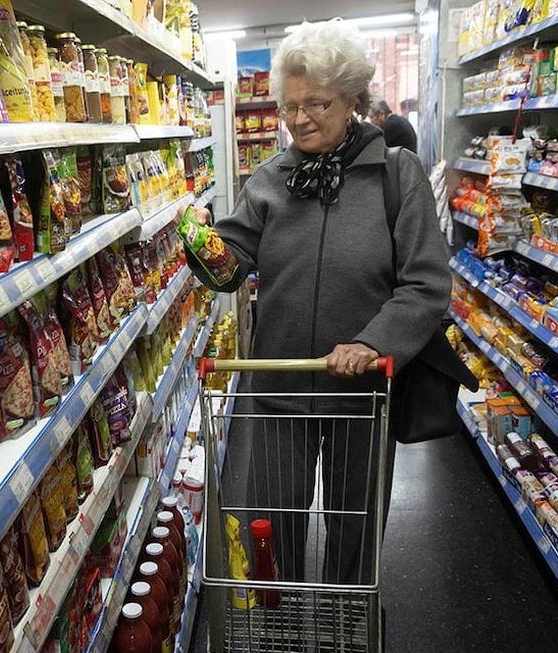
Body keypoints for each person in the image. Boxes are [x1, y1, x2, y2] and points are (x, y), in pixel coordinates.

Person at [181, 19, 449, 592]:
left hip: (362, 394)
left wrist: (373, 343)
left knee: (355, 538)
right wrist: (201, 243)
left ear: (351, 98)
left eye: (317, 104)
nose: (300, 119)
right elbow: (230, 270)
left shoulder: (398, 176)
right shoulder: (269, 179)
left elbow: (426, 284)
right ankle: (278, 632)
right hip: (278, 393)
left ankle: (347, 624)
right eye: (289, 106)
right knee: (270, 535)